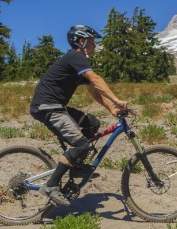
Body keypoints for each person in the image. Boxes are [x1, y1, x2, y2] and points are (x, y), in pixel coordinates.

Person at [30, 25, 127, 206]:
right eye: (92, 42)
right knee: (82, 145)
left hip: (57, 106)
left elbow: (93, 90)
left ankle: (77, 165)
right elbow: (96, 79)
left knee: (92, 123)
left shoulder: (77, 62)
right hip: (47, 108)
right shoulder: (75, 56)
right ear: (81, 42)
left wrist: (111, 109)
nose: (95, 46)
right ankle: (51, 186)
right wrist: (117, 100)